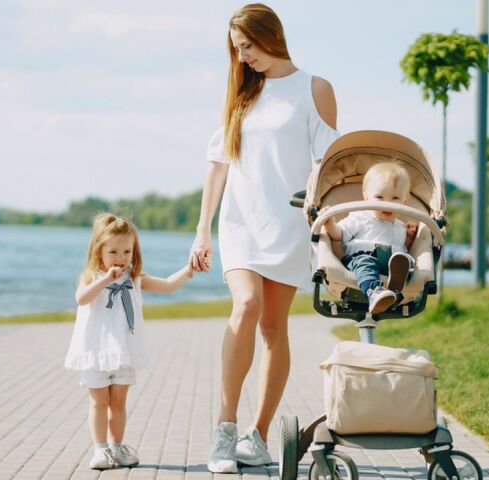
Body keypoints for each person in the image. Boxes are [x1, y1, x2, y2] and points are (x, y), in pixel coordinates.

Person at [188, 3, 340, 473]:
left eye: (248, 46)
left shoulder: (315, 88)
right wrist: (202, 229)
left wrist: (330, 222)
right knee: (246, 306)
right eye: (237, 50)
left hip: (290, 225)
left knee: (274, 329)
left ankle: (257, 436)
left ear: (270, 35)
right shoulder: (241, 93)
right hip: (240, 223)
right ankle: (224, 430)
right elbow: (218, 164)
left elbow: (329, 163)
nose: (243, 57)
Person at [65, 213, 193, 470]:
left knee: (119, 402)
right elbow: (82, 298)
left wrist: (189, 270)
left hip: (123, 352)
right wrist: (105, 279)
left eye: (127, 251)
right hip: (96, 352)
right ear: (98, 250)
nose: (121, 258)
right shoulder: (91, 277)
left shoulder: (134, 278)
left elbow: (167, 284)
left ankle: (116, 446)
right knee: (99, 402)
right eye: (113, 251)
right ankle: (100, 449)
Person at [322, 161, 418, 313]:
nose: (387, 204)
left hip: (391, 262)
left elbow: (401, 245)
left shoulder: (400, 226)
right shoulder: (360, 217)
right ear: (366, 198)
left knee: (406, 260)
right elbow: (339, 234)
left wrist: (409, 240)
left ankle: (397, 281)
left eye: (395, 198)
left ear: (405, 201)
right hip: (362, 258)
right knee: (365, 263)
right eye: (379, 197)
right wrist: (329, 225)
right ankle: (374, 292)